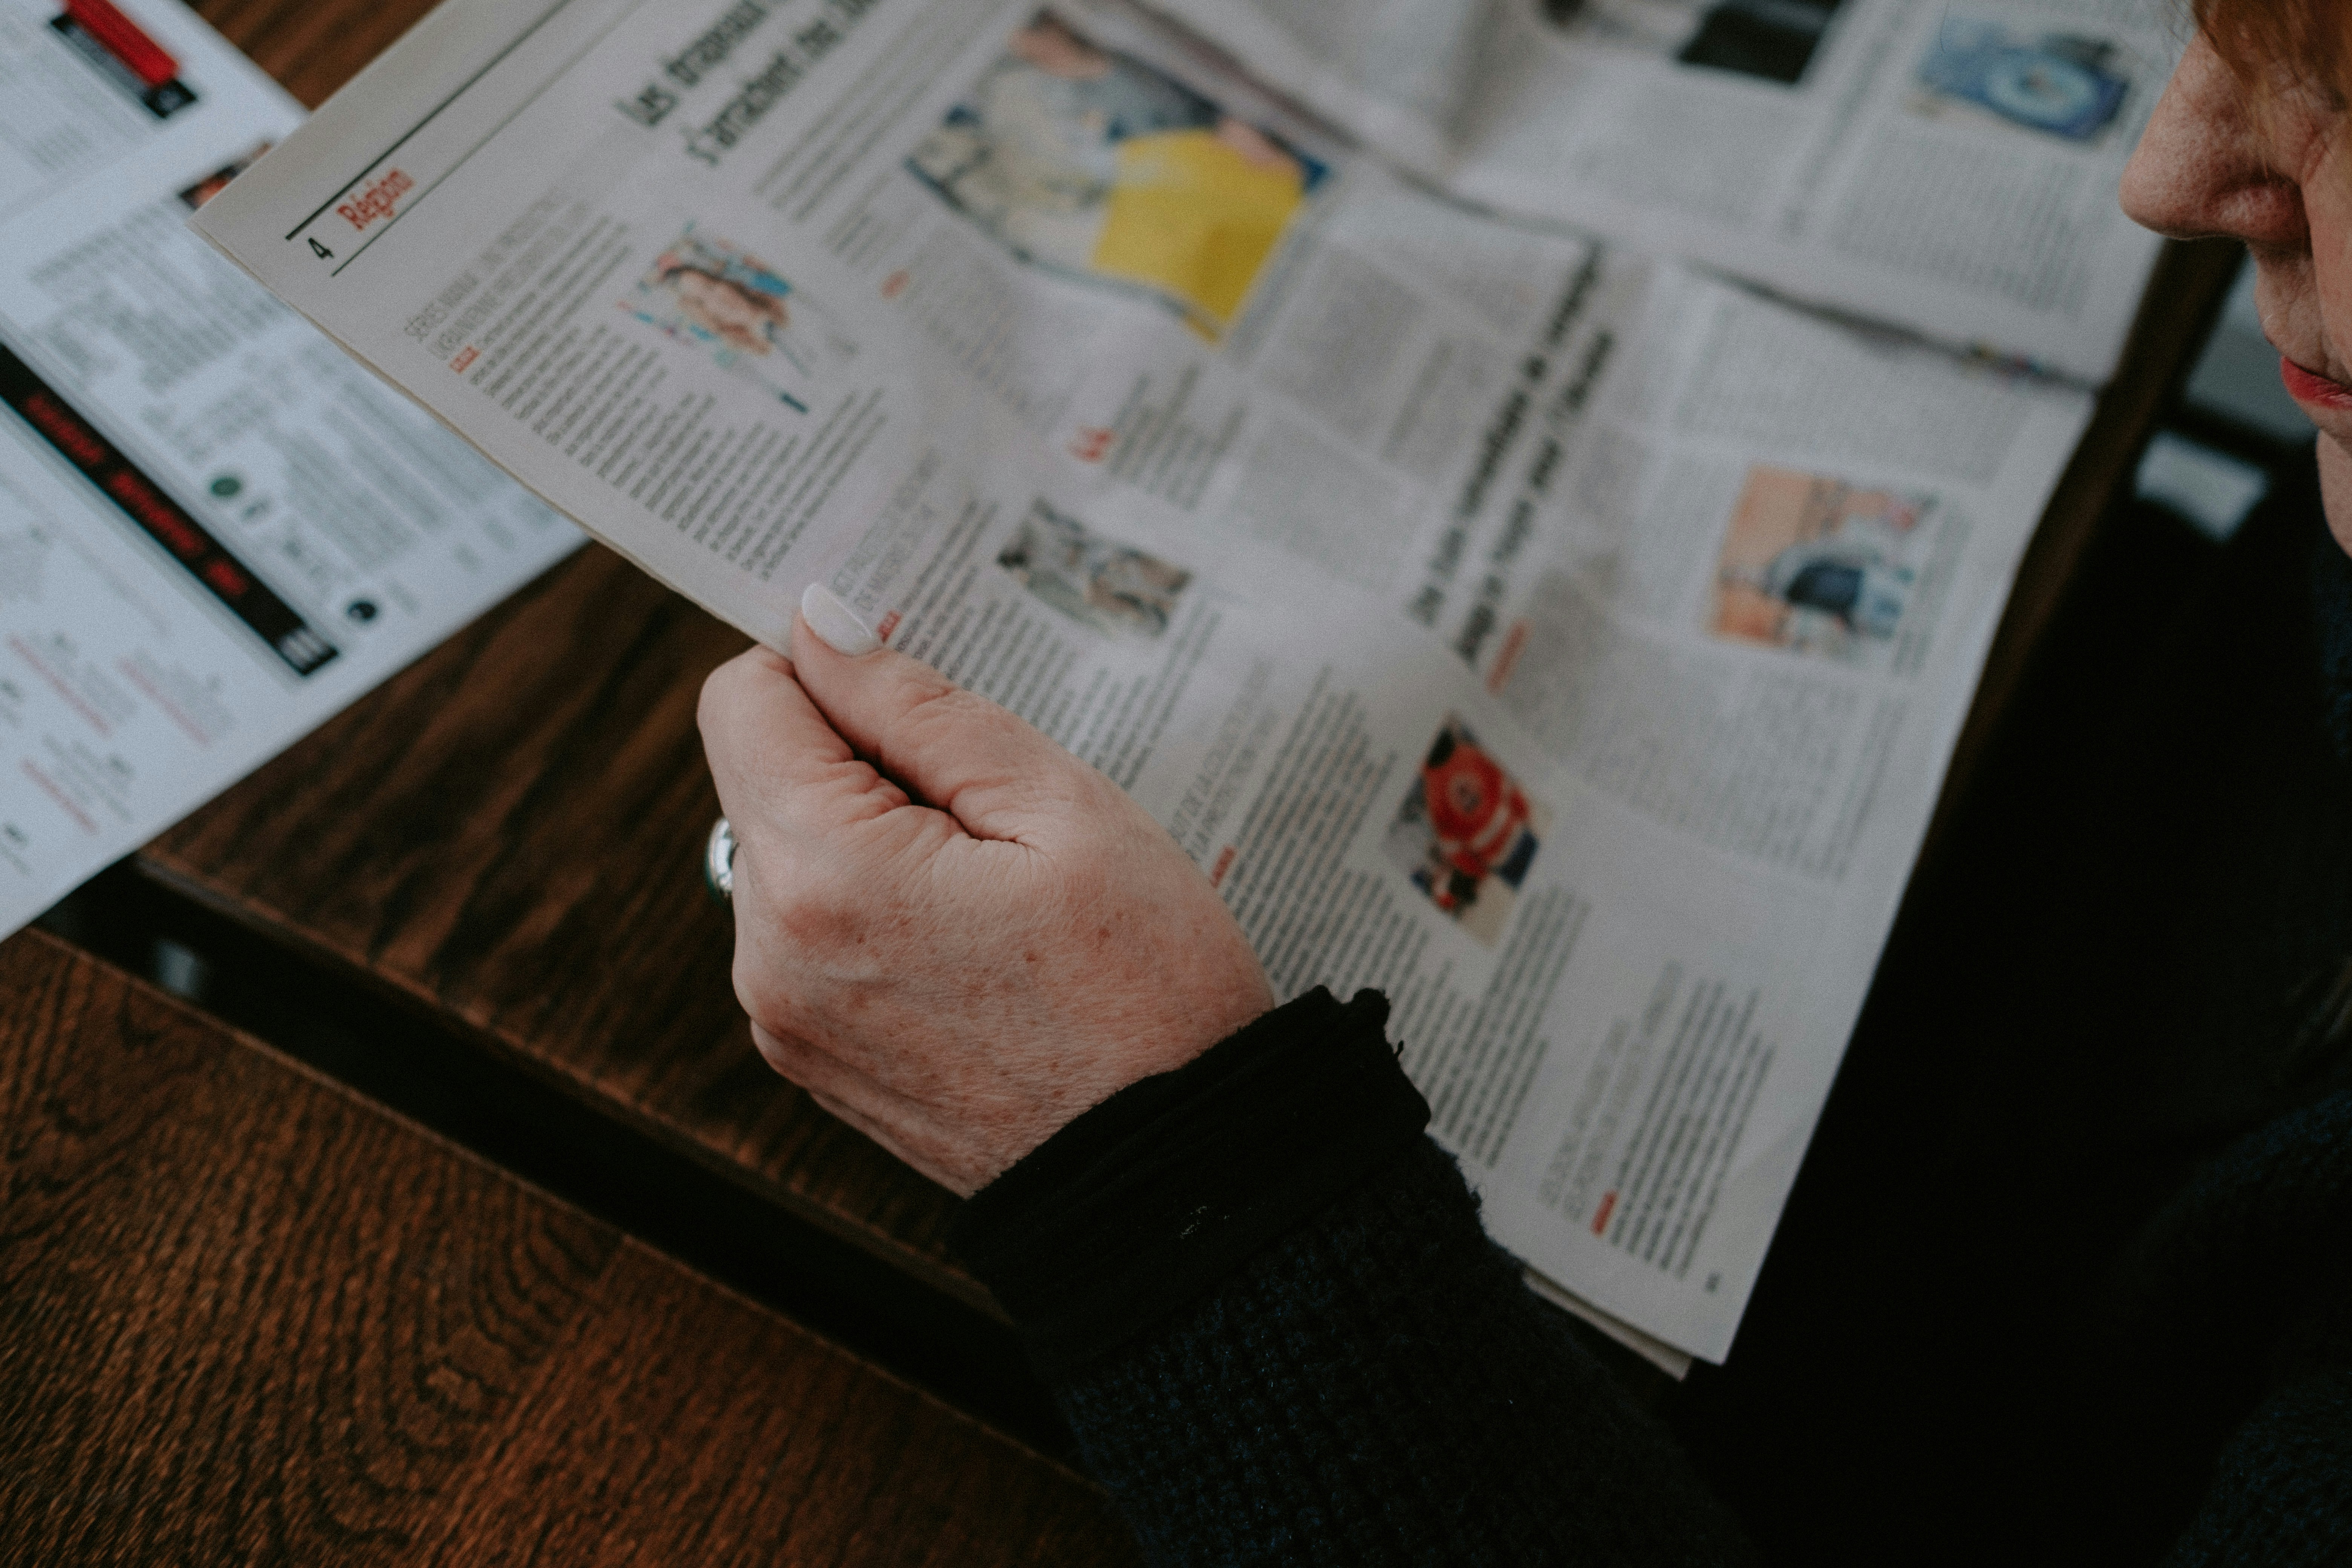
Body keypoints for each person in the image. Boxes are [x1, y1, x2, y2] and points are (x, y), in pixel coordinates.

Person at [698, 3, 2352, 1559]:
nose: (2171, 176)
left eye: (2345, 100)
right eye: (2217, 25)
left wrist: (1161, 1182)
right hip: (1997, 927)